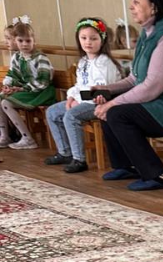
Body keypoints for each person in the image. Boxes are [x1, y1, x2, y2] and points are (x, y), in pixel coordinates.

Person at [93, 0, 163, 191]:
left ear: (154, 6)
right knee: (109, 106)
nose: (131, 6)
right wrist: (106, 89)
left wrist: (112, 105)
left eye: (137, 2)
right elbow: (134, 79)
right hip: (162, 105)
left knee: (116, 113)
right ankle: (126, 166)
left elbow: (151, 87)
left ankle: (158, 175)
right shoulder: (148, 35)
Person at [44, 18, 122, 173]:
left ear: (102, 40)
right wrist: (72, 97)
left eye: (93, 38)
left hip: (99, 103)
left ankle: (79, 159)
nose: (88, 42)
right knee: (52, 112)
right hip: (81, 100)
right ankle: (65, 152)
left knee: (71, 116)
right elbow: (79, 85)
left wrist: (77, 102)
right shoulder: (83, 61)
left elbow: (101, 92)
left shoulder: (105, 63)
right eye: (84, 38)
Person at [0, 17, 55, 150]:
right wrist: (7, 86)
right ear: (16, 41)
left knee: (6, 103)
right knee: (1, 96)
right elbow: (13, 74)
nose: (24, 44)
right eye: (20, 41)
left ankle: (27, 138)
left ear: (34, 41)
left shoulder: (40, 58)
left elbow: (43, 81)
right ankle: (4, 136)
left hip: (40, 92)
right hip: (26, 90)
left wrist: (20, 89)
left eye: (28, 41)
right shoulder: (17, 57)